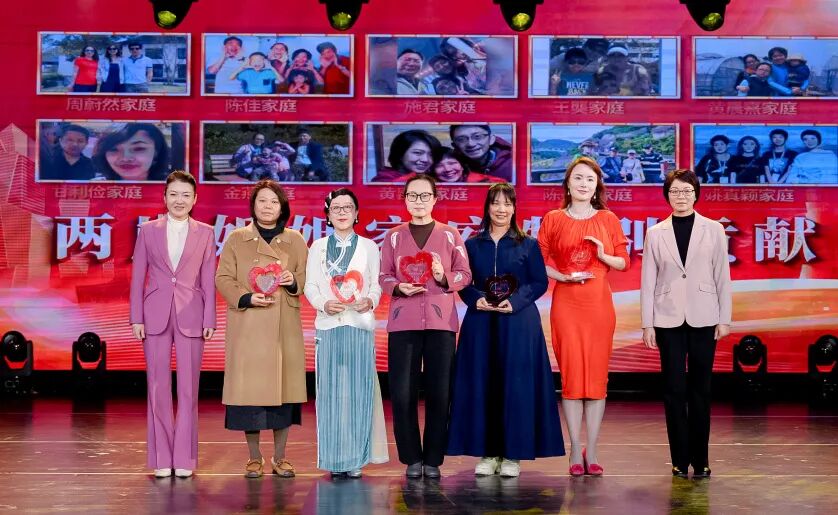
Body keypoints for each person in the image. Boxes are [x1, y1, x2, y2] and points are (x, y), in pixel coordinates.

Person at [447, 183, 565, 478]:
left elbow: (539, 282)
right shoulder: (472, 245)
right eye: (496, 203)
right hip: (481, 323)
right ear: (487, 207)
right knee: (483, 385)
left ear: (514, 208)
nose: (501, 209)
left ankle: (513, 454)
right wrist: (475, 299)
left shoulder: (528, 244)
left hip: (519, 323)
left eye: (507, 204)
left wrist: (515, 302)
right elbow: (463, 281)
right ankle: (488, 453)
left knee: (517, 386)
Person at [537, 156, 629, 477]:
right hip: (567, 304)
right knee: (573, 377)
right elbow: (538, 262)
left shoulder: (608, 219)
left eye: (590, 179)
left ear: (596, 186)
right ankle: (575, 448)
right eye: (578, 178)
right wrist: (561, 277)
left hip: (598, 305)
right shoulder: (553, 219)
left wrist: (603, 255)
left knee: (597, 378)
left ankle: (594, 448)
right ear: (567, 183)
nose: (583, 184)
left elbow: (623, 262)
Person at [378, 175, 472, 479]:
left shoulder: (450, 235)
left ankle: (433, 458)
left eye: (424, 196)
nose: (418, 201)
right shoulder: (393, 236)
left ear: (435, 199)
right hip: (402, 322)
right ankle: (411, 459)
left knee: (439, 393)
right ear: (405, 200)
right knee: (402, 393)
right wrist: (398, 287)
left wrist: (442, 276)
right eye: (412, 196)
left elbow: (465, 274)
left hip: (440, 323)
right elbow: (383, 276)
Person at [641, 169, 732, 478]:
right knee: (673, 390)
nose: (681, 196)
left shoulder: (714, 229)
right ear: (667, 195)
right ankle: (680, 460)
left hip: (705, 316)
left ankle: (701, 459)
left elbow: (722, 276)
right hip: (667, 318)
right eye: (675, 191)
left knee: (701, 390)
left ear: (696, 194)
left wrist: (724, 318)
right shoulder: (656, 233)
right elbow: (648, 281)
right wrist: (648, 323)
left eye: (686, 191)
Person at [215, 180, 308, 479]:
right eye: (262, 201)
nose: (267, 206)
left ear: (282, 207)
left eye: (273, 201)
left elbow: (307, 277)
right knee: (250, 397)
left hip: (284, 327)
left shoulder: (295, 240)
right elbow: (223, 277)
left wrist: (292, 280)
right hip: (249, 325)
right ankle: (254, 457)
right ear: (253, 206)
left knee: (284, 395)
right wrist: (246, 297)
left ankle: (280, 457)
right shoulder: (236, 238)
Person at [129, 171, 216, 479]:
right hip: (154, 314)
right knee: (158, 388)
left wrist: (209, 318)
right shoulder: (147, 230)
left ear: (195, 199)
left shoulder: (206, 232)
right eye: (174, 194)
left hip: (192, 314)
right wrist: (136, 317)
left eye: (185, 195)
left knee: (189, 390)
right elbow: (138, 276)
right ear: (164, 197)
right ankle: (161, 458)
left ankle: (184, 459)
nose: (179, 200)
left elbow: (208, 278)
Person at [304, 188, 389, 478]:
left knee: (358, 391)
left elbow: (376, 284)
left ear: (356, 213)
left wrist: (371, 301)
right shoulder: (317, 247)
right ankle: (333, 458)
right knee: (330, 393)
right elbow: (310, 286)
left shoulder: (369, 246)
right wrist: (322, 303)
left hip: (359, 326)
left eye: (347, 207)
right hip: (328, 327)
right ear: (328, 214)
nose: (342, 212)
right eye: (336, 208)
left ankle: (355, 459)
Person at [92, 123, 171, 181]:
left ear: (156, 152)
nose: (125, 158)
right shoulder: (94, 187)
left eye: (138, 148)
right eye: (113, 149)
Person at [371, 130, 441, 182]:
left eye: (431, 155)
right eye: (418, 153)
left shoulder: (431, 176)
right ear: (400, 154)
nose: (425, 159)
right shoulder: (385, 180)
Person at [432, 147, 502, 183]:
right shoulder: (430, 187)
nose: (447, 169)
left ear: (462, 166)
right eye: (439, 166)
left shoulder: (490, 183)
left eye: (452, 163)